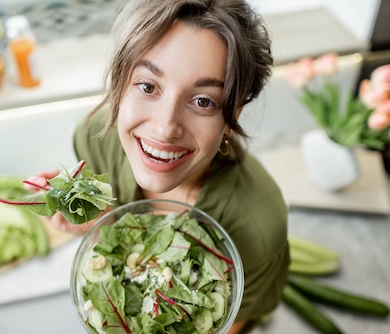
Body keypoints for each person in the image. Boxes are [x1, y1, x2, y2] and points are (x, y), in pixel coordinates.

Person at [27, 0, 289, 332]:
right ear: (119, 85)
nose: (165, 128)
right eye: (148, 86)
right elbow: (118, 252)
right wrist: (95, 228)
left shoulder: (257, 225)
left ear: (232, 118)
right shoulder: (95, 140)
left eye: (203, 101)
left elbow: (230, 322)